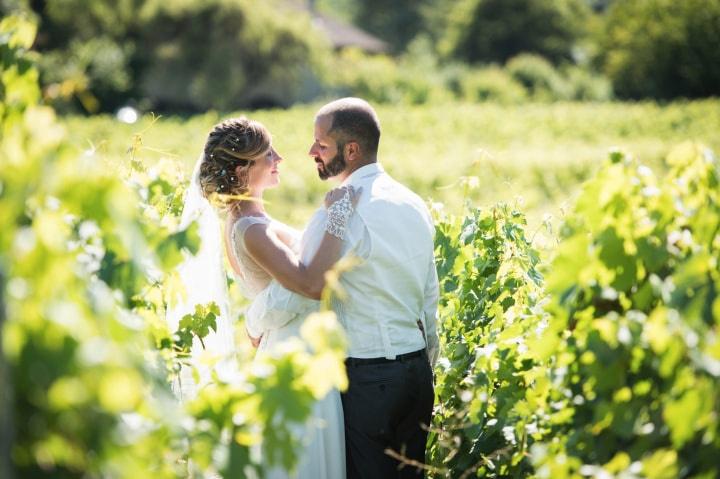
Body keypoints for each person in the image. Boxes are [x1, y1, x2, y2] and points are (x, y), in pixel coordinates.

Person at [247, 98, 440, 479]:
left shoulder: (341, 211)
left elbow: (297, 289)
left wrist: (253, 324)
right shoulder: (413, 203)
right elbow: (428, 293)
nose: (311, 152)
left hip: (369, 381)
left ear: (350, 150)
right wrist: (426, 362)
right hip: (416, 373)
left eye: (321, 144)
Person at [184, 116, 360, 478]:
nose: (279, 158)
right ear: (241, 170)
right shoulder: (251, 229)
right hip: (294, 351)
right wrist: (339, 214)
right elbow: (310, 284)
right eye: (268, 154)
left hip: (290, 342)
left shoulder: (249, 221)